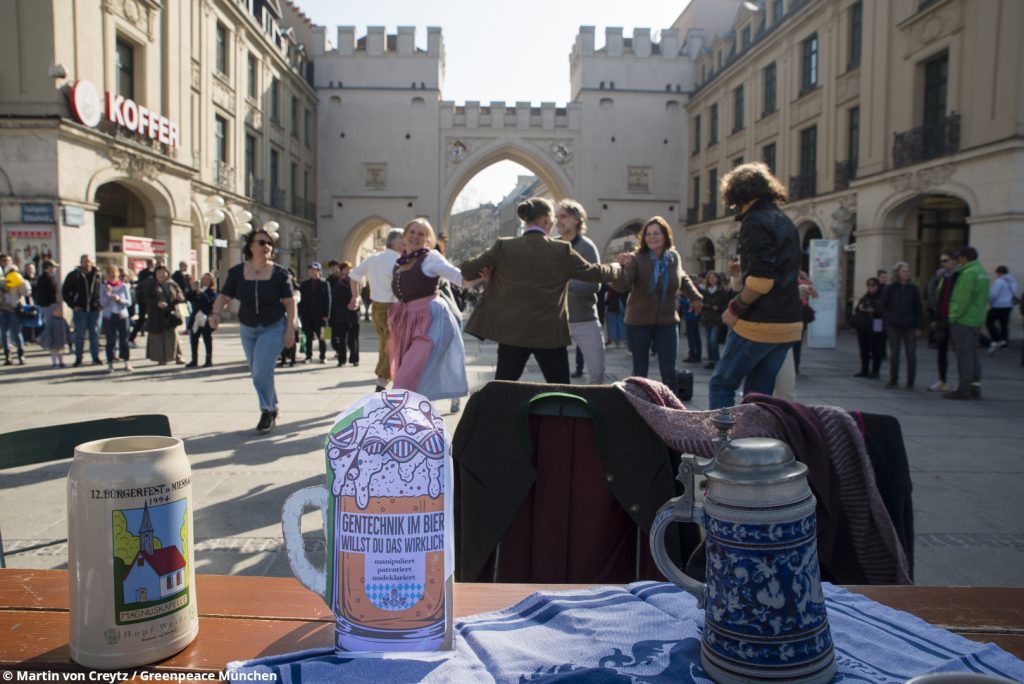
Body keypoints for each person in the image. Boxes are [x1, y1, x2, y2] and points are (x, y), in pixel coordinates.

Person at [460, 197, 620, 383]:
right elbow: (595, 274)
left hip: (513, 334)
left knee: (502, 390)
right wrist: (616, 267)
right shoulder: (560, 250)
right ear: (545, 219)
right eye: (552, 217)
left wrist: (491, 270)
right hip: (550, 335)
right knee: (559, 390)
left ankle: (498, 412)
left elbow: (468, 270)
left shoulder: (504, 246)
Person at [707, 162, 803, 410]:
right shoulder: (784, 220)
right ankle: (752, 445)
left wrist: (734, 308)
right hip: (788, 324)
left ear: (736, 192)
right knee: (758, 396)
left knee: (721, 385)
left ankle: (722, 445)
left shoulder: (755, 221)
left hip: (759, 323)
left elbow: (761, 282)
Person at [209, 229, 296, 431]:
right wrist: (215, 314)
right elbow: (224, 296)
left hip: (273, 326)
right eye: (261, 242)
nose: (266, 246)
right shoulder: (237, 272)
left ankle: (266, 411)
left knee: (260, 371)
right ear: (250, 246)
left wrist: (290, 328)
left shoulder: (280, 273)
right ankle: (273, 407)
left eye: (269, 243)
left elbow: (290, 303)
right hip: (247, 327)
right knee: (259, 371)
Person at [388, 219, 482, 405]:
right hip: (407, 321)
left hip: (430, 321)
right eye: (412, 232)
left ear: (427, 239)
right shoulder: (401, 261)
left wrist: (482, 275)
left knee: (406, 378)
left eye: (421, 234)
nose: (415, 236)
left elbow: (460, 279)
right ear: (405, 235)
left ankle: (402, 419)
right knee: (406, 376)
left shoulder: (431, 258)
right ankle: (411, 420)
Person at [613, 216, 702, 393]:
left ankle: (672, 412)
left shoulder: (673, 257)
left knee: (669, 371)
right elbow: (622, 286)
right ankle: (638, 408)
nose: (652, 237)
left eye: (656, 233)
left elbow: (682, 277)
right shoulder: (636, 258)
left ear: (665, 235)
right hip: (638, 322)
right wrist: (621, 268)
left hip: (667, 321)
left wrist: (695, 296)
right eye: (648, 234)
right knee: (640, 372)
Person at [555, 199, 606, 384]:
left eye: (563, 216)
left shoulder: (587, 247)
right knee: (556, 376)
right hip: (557, 321)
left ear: (577, 220)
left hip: (585, 319)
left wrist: (564, 283)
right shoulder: (552, 246)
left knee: (597, 373)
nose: (558, 221)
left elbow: (594, 285)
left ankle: (592, 410)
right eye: (556, 217)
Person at [349, 228, 403, 391]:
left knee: (385, 343)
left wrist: (355, 296)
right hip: (392, 307)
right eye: (403, 240)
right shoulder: (399, 261)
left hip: (376, 307)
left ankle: (385, 379)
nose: (406, 243)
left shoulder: (373, 258)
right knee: (390, 345)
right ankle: (382, 381)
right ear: (395, 243)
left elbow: (353, 275)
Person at [944, 246, 990, 400]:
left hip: (963, 320)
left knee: (963, 355)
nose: (958, 260)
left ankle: (963, 389)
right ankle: (975, 387)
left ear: (965, 257)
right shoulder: (982, 272)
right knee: (973, 354)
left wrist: (953, 316)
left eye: (960, 257)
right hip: (975, 319)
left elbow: (963, 298)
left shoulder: (969, 273)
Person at [878, 262, 923, 389]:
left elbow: (918, 308)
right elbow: (882, 305)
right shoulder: (891, 288)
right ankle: (893, 379)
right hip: (894, 325)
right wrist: (890, 318)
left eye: (908, 271)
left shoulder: (913, 288)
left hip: (910, 324)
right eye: (903, 271)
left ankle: (910, 380)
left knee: (911, 352)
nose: (906, 273)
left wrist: (919, 326)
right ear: (897, 273)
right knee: (895, 352)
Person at [924, 251, 959, 391]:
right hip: (942, 318)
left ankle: (961, 382)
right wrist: (935, 318)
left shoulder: (960, 276)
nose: (943, 263)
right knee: (941, 350)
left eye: (945, 260)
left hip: (955, 318)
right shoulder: (943, 277)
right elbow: (939, 298)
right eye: (941, 261)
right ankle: (942, 380)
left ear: (954, 261)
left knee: (959, 352)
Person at [61, 254, 103, 366]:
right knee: (79, 335)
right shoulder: (74, 275)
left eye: (89, 261)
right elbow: (65, 292)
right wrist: (73, 305)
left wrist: (101, 304)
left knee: (94, 334)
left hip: (95, 310)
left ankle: (95, 357)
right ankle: (78, 358)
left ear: (92, 262)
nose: (87, 263)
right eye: (85, 261)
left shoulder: (98, 275)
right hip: (80, 310)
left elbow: (103, 290)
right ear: (81, 262)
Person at [145, 265, 185, 366]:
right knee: (158, 337)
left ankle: (178, 356)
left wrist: (180, 296)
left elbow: (180, 295)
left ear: (167, 273)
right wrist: (157, 303)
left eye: (163, 272)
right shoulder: (152, 285)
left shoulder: (172, 284)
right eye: (159, 273)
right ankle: (161, 358)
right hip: (157, 314)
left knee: (172, 335)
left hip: (170, 314)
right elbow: (146, 298)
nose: (161, 275)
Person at [99, 264, 133, 373]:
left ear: (118, 274)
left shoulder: (124, 286)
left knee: (124, 340)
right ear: (106, 275)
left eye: (114, 272)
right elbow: (102, 303)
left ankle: (126, 362)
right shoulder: (103, 287)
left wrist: (120, 299)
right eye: (110, 273)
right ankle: (110, 363)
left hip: (122, 316)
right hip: (109, 316)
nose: (112, 275)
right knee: (110, 341)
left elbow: (129, 302)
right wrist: (108, 295)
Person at [35, 259, 67, 368]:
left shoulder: (45, 278)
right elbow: (49, 293)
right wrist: (53, 306)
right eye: (52, 267)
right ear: (48, 267)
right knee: (51, 327)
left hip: (47, 305)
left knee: (50, 326)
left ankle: (44, 338)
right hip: (49, 305)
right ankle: (43, 339)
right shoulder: (46, 279)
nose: (54, 269)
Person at [852, 277, 886, 378]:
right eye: (869, 285)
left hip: (877, 323)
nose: (871, 287)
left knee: (876, 348)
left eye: (873, 285)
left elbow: (883, 311)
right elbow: (857, 308)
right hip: (864, 324)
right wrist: (861, 308)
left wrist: (873, 311)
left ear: (877, 286)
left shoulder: (882, 297)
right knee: (864, 348)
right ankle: (864, 369)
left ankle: (875, 371)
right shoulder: (865, 297)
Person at [328, 261, 359, 367]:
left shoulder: (354, 281)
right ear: (341, 271)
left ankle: (354, 359)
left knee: (353, 338)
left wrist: (355, 303)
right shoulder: (337, 281)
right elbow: (334, 297)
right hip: (341, 313)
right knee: (341, 339)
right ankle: (341, 359)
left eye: (349, 269)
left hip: (352, 313)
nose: (347, 271)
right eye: (345, 269)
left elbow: (357, 295)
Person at [298, 262, 329, 364]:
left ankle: (323, 356)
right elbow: (301, 300)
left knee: (323, 337)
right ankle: (308, 356)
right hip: (307, 315)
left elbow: (328, 300)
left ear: (319, 271)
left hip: (321, 316)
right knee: (308, 336)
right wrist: (301, 314)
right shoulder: (305, 283)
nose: (312, 271)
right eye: (310, 270)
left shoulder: (325, 283)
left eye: (314, 269)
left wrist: (326, 315)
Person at [700, 271, 730, 370]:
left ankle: (716, 360)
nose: (712, 279)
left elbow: (726, 305)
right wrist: (704, 306)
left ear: (717, 279)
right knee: (708, 341)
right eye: (710, 278)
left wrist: (719, 307)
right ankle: (711, 360)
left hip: (716, 319)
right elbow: (700, 303)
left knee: (713, 340)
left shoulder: (722, 291)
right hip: (706, 318)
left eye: (714, 278)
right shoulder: (704, 291)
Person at [186, 272, 218, 368]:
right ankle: (194, 359)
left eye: (207, 279)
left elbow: (210, 303)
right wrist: (192, 290)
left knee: (207, 339)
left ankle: (208, 360)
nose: (205, 281)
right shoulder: (197, 291)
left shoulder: (212, 292)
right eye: (204, 279)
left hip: (206, 318)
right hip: (196, 318)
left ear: (211, 281)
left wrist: (202, 293)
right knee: (194, 339)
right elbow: (188, 298)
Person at [1, 263, 30, 365]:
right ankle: (8, 356)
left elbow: (26, 293)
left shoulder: (19, 281)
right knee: (4, 334)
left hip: (15, 309)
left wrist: (22, 282)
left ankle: (21, 355)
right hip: (3, 310)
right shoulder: (3, 282)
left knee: (17, 333)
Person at [987, 265, 1019, 352]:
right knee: (1004, 325)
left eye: (997, 273)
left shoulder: (999, 281)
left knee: (989, 322)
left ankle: (998, 339)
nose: (996, 275)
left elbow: (993, 294)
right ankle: (1004, 344)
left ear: (1000, 272)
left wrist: (990, 301)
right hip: (1008, 306)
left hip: (998, 305)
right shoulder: (1013, 281)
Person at [130, 258, 156, 343]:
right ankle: (131, 338)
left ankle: (153, 338)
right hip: (143, 299)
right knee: (141, 318)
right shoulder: (143, 273)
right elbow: (141, 284)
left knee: (152, 318)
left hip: (152, 299)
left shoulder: (155, 273)